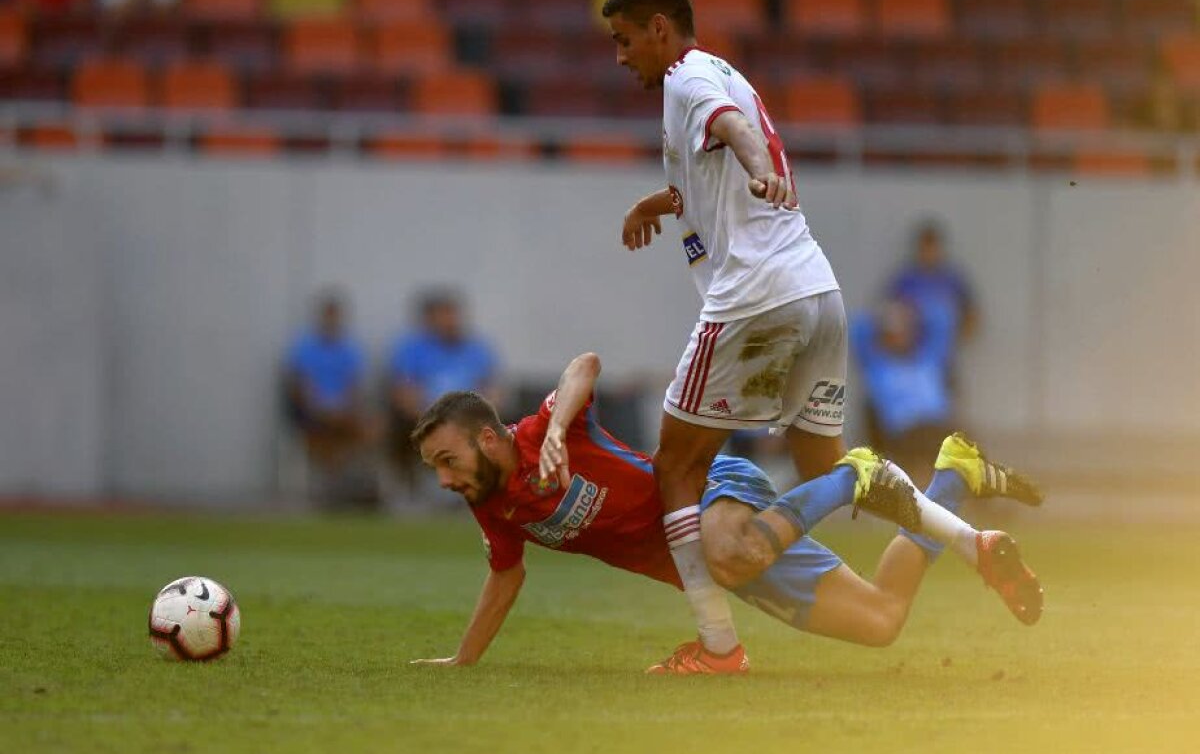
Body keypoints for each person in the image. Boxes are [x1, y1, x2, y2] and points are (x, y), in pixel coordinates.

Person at [409, 352, 1043, 673]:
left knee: (732, 553)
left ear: (486, 438)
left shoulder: (539, 437)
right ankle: (954, 474)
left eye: (447, 459)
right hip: (722, 562)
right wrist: (464, 661)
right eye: (436, 468)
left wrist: (556, 431)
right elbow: (505, 577)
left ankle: (856, 475)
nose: (444, 478)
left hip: (711, 493)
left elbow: (584, 366)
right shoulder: (494, 505)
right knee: (881, 619)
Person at [603, 0, 850, 669]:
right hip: (817, 290)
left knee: (677, 464)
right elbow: (699, 181)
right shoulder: (721, 74)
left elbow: (735, 134)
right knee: (826, 467)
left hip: (754, 299)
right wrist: (653, 205)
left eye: (624, 41)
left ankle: (718, 646)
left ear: (659, 28)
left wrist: (760, 168)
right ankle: (948, 520)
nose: (620, 57)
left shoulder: (686, 77)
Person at [387, 290, 502, 503]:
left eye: (453, 314)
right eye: (444, 315)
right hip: (424, 418)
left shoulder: (477, 348)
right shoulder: (412, 349)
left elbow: (493, 389)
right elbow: (403, 392)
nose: (449, 320)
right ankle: (417, 495)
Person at [284, 291, 377, 506]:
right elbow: (298, 387)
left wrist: (345, 410)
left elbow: (354, 387)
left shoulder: (349, 349)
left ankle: (358, 486)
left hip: (343, 413)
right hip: (312, 412)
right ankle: (330, 489)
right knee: (323, 435)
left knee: (372, 429)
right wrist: (322, 410)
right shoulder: (304, 347)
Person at [853, 296, 957, 484]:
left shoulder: (928, 357)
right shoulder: (877, 364)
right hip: (905, 435)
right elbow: (858, 327)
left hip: (940, 428)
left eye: (903, 331)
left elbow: (943, 318)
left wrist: (911, 313)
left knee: (966, 446)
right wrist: (884, 314)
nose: (898, 337)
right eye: (892, 333)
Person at [885, 221, 979, 346]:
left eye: (932, 248)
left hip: (943, 348)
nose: (928, 253)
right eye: (924, 248)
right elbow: (889, 312)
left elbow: (971, 311)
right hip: (912, 348)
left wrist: (957, 335)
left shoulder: (952, 279)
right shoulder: (906, 280)